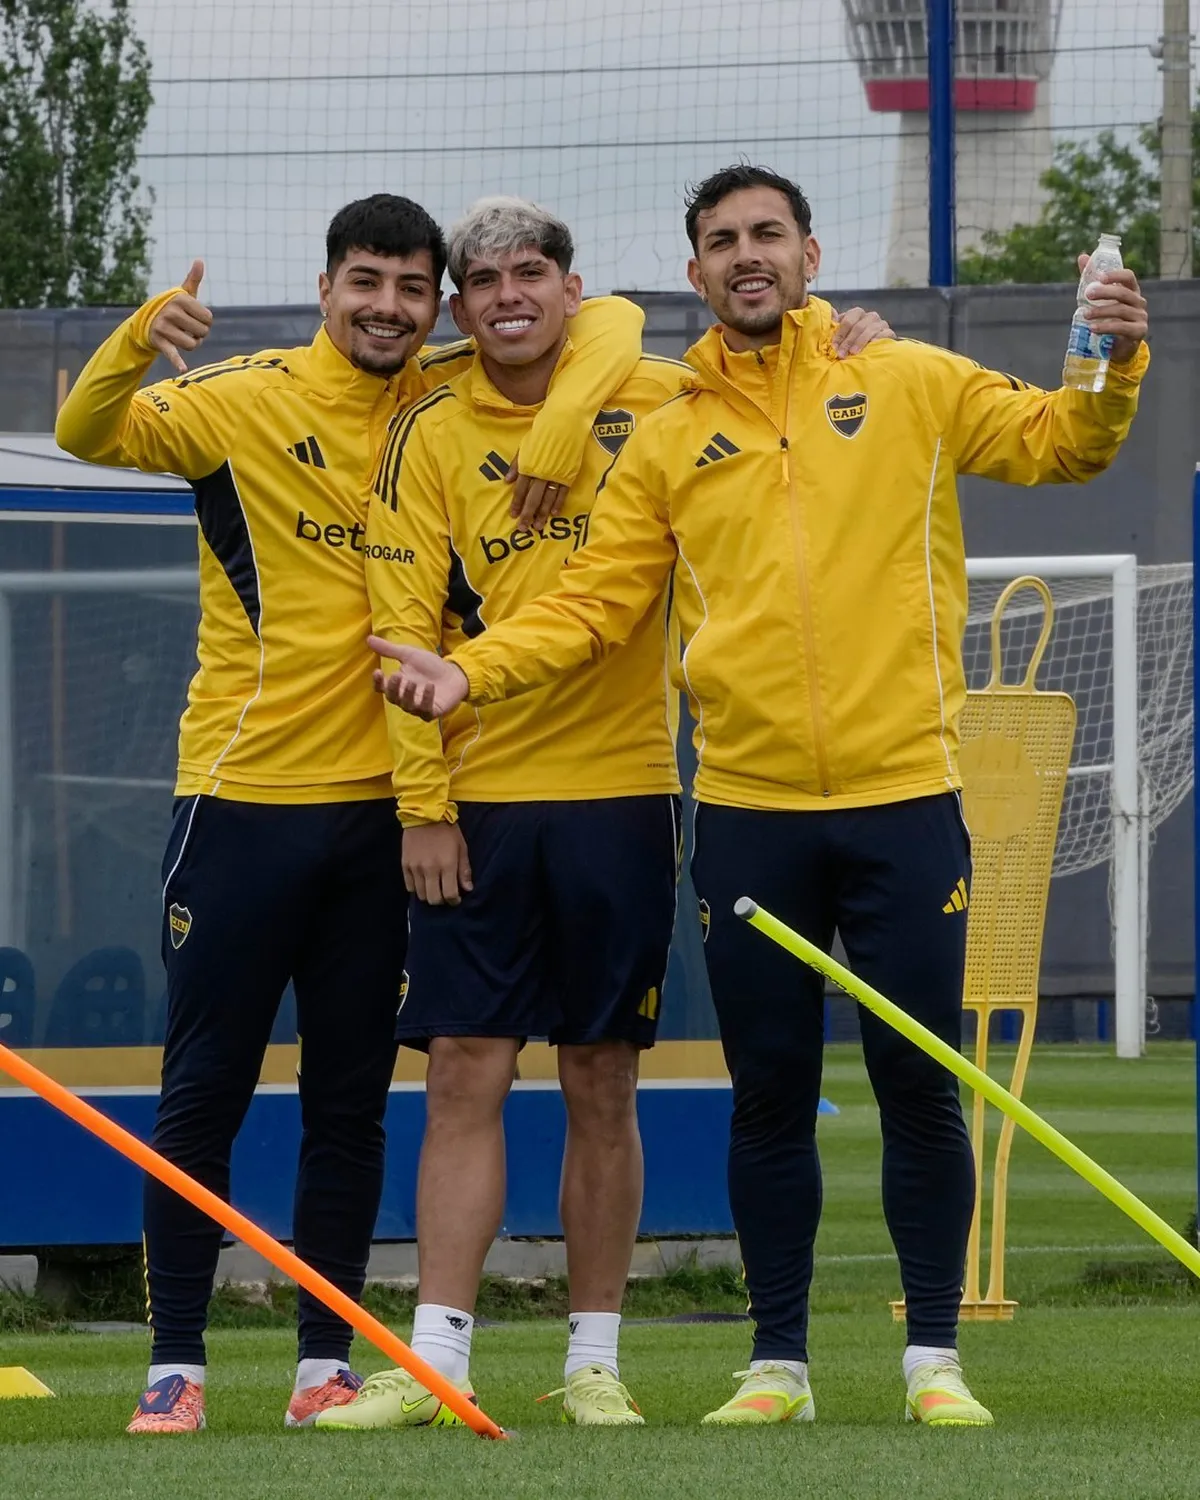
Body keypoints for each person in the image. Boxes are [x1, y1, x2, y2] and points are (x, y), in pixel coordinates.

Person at [371, 164, 1150, 1429]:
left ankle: (933, 1361)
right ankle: (776, 1363)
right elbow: (594, 603)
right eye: (722, 241)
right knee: (771, 1091)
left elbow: (1065, 440)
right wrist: (471, 671)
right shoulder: (673, 430)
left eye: (767, 236)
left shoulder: (901, 377)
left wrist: (1110, 359)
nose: (747, 256)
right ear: (694, 273)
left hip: (907, 795)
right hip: (745, 809)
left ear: (808, 252)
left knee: (916, 1082)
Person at [54, 192, 646, 1434]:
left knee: (348, 1101)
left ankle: (325, 1357)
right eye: (366, 283)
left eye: (411, 290)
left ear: (436, 306)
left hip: (393, 816)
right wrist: (135, 338)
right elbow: (86, 427)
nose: (390, 308)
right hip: (241, 798)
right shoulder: (240, 396)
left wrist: (557, 440)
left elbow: (610, 327)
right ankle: (178, 1363)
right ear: (326, 289)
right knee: (201, 1090)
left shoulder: (440, 391)